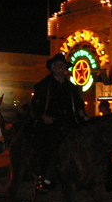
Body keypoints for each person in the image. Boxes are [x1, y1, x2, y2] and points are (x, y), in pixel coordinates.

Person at [31, 53, 88, 192]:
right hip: (51, 123)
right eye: (57, 65)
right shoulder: (44, 85)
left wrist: (82, 112)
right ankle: (44, 177)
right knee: (49, 146)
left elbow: (79, 104)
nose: (60, 67)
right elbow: (36, 104)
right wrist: (43, 116)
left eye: (62, 65)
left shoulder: (72, 88)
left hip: (69, 122)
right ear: (52, 68)